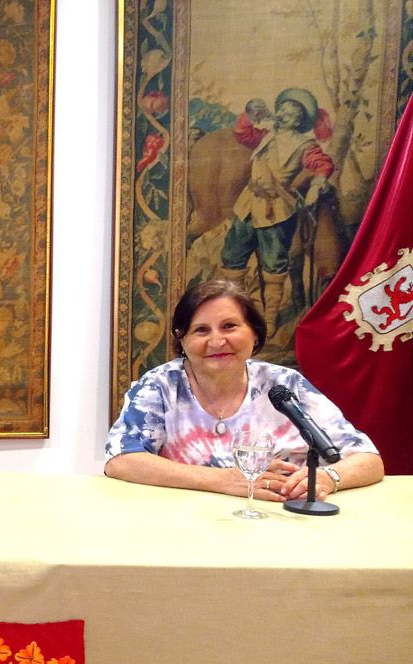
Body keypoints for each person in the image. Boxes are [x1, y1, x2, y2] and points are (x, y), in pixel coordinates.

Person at [105, 280, 383, 501]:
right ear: (183, 340)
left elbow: (369, 460)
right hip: (187, 530)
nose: (217, 341)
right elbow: (121, 460)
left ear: (254, 333)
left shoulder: (284, 384)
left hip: (283, 529)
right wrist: (224, 480)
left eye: (230, 326)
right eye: (201, 330)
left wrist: (328, 478)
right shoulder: (161, 385)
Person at [221, 87, 334, 337]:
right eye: (283, 109)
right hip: (248, 205)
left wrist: (316, 185)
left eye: (292, 113)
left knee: (273, 265)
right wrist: (252, 113)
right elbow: (241, 132)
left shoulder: (304, 145)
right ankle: (234, 314)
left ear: (299, 121)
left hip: (276, 210)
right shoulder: (264, 134)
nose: (284, 115)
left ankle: (269, 318)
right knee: (232, 257)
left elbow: (323, 164)